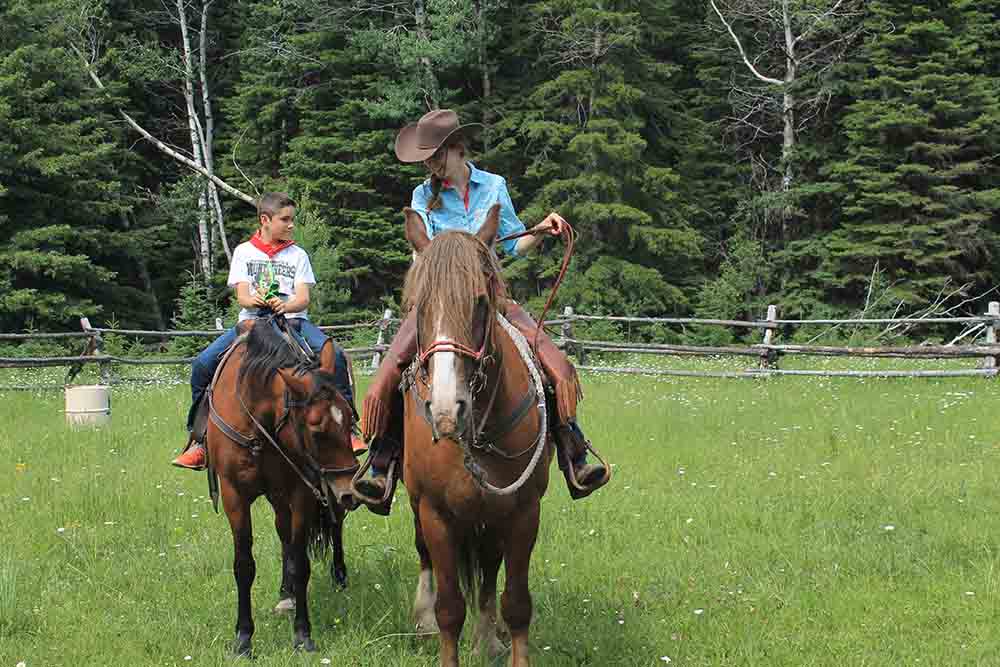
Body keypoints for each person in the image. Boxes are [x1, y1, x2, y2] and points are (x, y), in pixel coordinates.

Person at [354, 109, 609, 510]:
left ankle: (572, 451)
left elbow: (511, 244)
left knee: (551, 360)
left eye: (434, 155)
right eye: (425, 158)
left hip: (488, 296)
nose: (429, 164)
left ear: (456, 149)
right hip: (438, 299)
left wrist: (538, 232)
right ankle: (382, 461)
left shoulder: (494, 186)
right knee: (393, 369)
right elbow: (419, 255)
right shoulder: (423, 196)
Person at [172, 192, 365, 470]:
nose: (291, 225)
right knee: (202, 364)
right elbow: (242, 296)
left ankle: (349, 428)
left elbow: (303, 298)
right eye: (285, 220)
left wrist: (285, 305)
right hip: (253, 321)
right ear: (265, 220)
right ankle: (199, 439)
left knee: (333, 354)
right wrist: (257, 300)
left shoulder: (298, 254)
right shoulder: (243, 251)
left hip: (294, 320)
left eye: (292, 220)